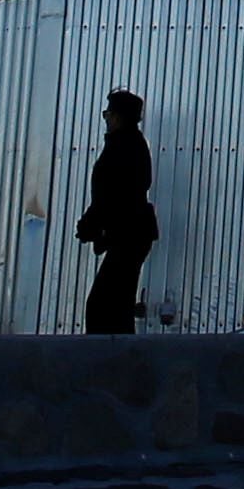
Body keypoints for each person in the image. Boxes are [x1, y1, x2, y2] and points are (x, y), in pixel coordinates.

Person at [74, 90, 157, 335]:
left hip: (128, 234)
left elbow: (112, 195)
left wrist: (90, 225)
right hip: (132, 233)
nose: (106, 119)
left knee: (104, 305)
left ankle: (110, 363)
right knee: (114, 304)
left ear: (118, 117)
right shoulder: (132, 145)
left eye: (108, 114)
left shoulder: (122, 147)